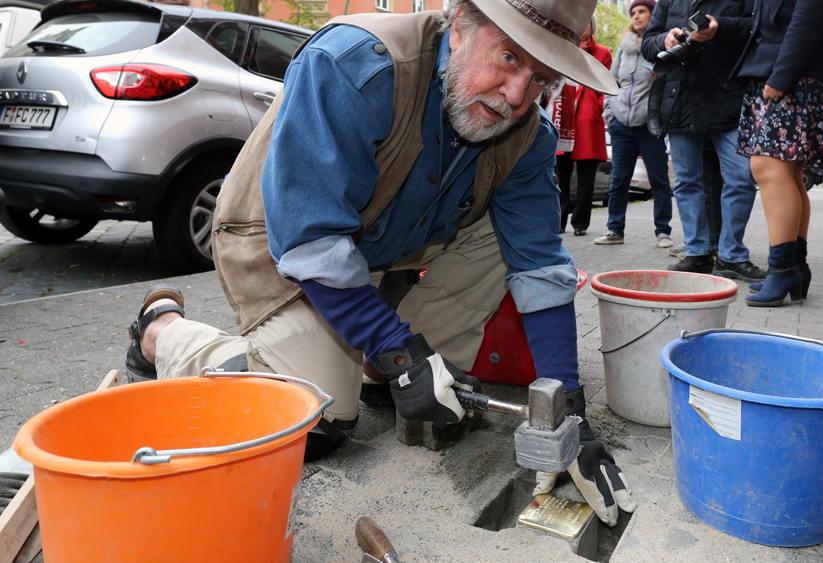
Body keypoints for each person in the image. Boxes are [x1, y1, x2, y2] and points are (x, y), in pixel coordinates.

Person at [123, 0, 637, 527]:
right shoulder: (354, 64)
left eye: (541, 80)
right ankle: (162, 331)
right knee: (315, 423)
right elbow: (312, 237)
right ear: (461, 27)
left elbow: (540, 263)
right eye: (509, 58)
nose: (516, 95)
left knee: (503, 239)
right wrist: (400, 356)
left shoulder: (528, 133)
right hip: (281, 243)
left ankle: (375, 359)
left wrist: (568, 410)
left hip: (386, 251)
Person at [735, 0, 823, 306]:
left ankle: (782, 269)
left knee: (768, 167)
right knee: (789, 172)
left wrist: (781, 75)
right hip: (791, 72)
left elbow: (808, 18)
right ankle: (794, 267)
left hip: (796, 75)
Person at [641, 0, 766, 283]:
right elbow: (648, 43)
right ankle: (698, 253)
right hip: (680, 98)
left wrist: (719, 28)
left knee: (741, 177)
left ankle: (731, 255)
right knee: (686, 181)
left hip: (728, 96)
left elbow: (756, 29)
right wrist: (666, 38)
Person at [594, 0, 674, 248]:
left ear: (653, 15)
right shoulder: (624, 47)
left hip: (650, 125)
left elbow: (671, 84)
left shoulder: (664, 46)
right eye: (634, 13)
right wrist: (610, 114)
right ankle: (614, 230)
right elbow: (612, 82)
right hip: (621, 124)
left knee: (659, 180)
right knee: (619, 180)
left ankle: (663, 232)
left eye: (642, 11)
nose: (637, 16)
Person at [556, 15, 612, 237]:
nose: (582, 26)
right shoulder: (563, 48)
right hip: (566, 117)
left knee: (587, 176)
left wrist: (597, 108)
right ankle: (558, 221)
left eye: (587, 22)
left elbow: (606, 86)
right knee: (561, 172)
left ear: (593, 27)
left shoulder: (603, 53)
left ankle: (580, 224)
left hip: (588, 120)